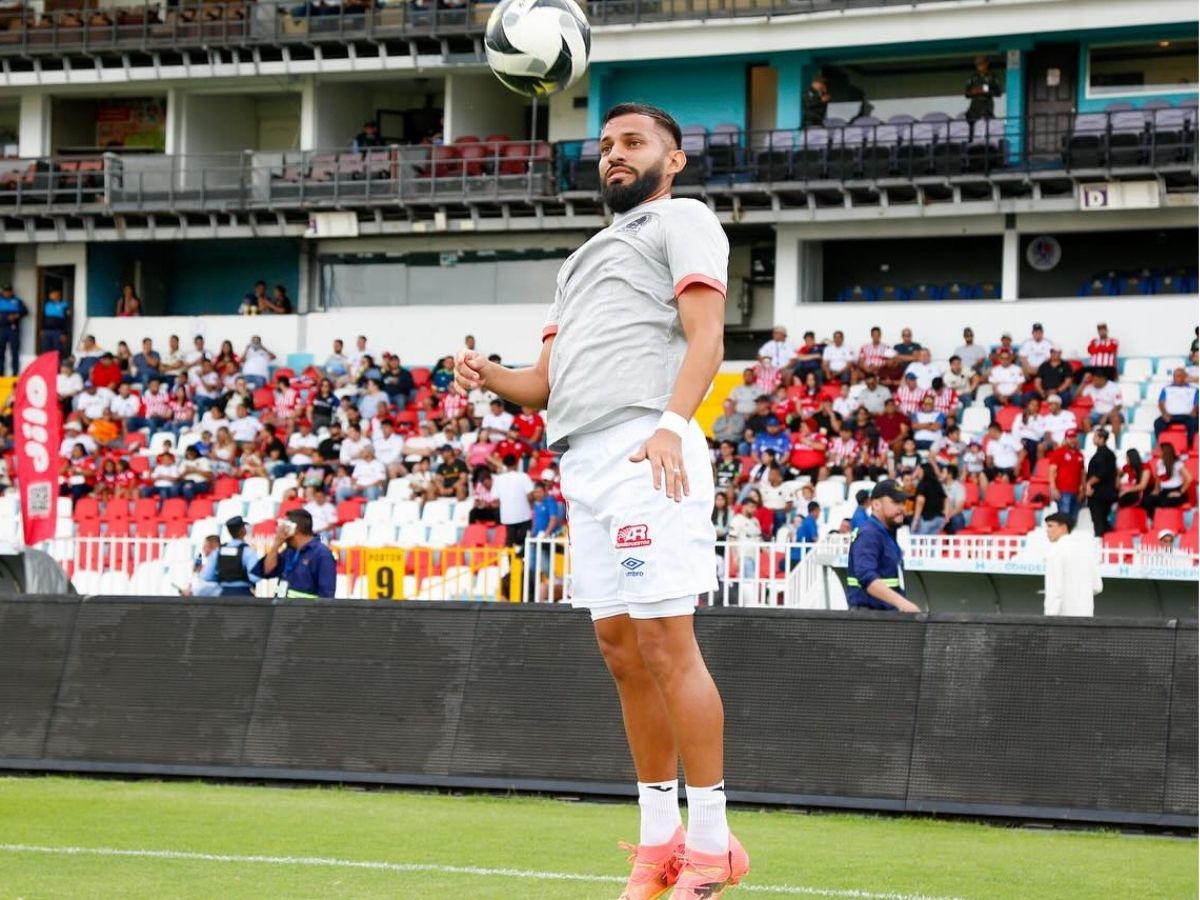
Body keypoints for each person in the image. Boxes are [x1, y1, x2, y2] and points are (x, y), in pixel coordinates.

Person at [451, 102, 748, 896]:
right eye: (607, 145)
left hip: (649, 445)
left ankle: (713, 846)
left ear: (672, 160)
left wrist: (672, 427)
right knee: (621, 653)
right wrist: (489, 373)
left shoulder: (683, 219)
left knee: (666, 645)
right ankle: (659, 843)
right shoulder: (579, 260)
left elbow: (708, 334)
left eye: (634, 142)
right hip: (581, 460)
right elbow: (542, 386)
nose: (614, 154)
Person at [845, 480, 920, 612]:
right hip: (870, 618)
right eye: (896, 502)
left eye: (903, 502)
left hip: (880, 616)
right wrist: (903, 604)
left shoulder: (883, 532)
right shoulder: (870, 534)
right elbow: (866, 576)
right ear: (876, 504)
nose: (902, 508)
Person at [252, 509, 337, 599]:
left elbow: (327, 595)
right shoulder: (289, 551)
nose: (279, 530)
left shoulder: (322, 554)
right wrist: (276, 544)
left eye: (284, 526)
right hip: (282, 605)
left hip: (303, 607)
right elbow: (267, 570)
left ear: (294, 529)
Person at [1043, 512, 1101, 617]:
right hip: (1087, 616)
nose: (1047, 530)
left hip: (1062, 619)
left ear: (1063, 527)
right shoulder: (1087, 550)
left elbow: (1055, 590)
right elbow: (1097, 586)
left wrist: (1049, 619)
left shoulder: (1055, 551)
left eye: (1050, 526)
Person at [199, 517, 262, 597]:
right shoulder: (248, 552)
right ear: (243, 530)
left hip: (223, 595)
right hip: (243, 594)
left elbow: (206, 576)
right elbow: (255, 577)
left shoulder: (218, 552)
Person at [1046, 429, 1085, 523]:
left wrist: (1082, 489)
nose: (1072, 440)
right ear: (1065, 439)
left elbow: (1082, 473)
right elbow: (1051, 471)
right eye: (1070, 438)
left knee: (1073, 519)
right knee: (1064, 519)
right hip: (1063, 491)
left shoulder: (1080, 455)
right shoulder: (1059, 452)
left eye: (1074, 437)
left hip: (1076, 492)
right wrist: (1053, 488)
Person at [1084, 429, 1118, 537]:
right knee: (1102, 520)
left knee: (1098, 520)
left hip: (1099, 493)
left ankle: (1101, 540)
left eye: (1095, 436)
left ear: (1101, 438)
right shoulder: (1108, 454)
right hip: (1106, 492)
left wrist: (1089, 484)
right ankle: (1108, 538)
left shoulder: (1103, 454)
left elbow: (1100, 473)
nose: (1093, 439)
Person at [1155, 368, 1198, 445]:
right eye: (1175, 376)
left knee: (1194, 423)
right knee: (1158, 423)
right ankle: (1162, 445)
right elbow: (1161, 402)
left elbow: (1197, 403)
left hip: (1187, 415)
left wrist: (1195, 410)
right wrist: (1164, 413)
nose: (1176, 378)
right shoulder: (1166, 389)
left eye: (1179, 376)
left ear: (1184, 377)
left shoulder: (1194, 389)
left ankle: (1189, 444)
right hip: (1170, 415)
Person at [964, 55, 1002, 124]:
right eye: (977, 64)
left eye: (981, 63)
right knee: (971, 122)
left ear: (987, 64)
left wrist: (985, 90)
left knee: (986, 124)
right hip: (975, 106)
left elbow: (998, 92)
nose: (979, 66)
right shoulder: (973, 77)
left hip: (986, 104)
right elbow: (967, 93)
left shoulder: (992, 76)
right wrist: (973, 92)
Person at [0, 284, 26, 376]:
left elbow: (24, 311)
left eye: (8, 291)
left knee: (14, 351)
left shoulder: (17, 301)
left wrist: (16, 315)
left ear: (11, 292)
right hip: (1, 329)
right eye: (5, 291)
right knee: (0, 352)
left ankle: (15, 373)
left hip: (13, 329)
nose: (6, 293)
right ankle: (1, 374)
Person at [41, 289, 71, 354]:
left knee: (57, 351)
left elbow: (67, 320)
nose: (51, 295)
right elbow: (43, 318)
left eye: (53, 293)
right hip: (47, 331)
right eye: (50, 294)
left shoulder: (64, 305)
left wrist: (64, 333)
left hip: (58, 332)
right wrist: (42, 329)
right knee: (45, 350)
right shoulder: (47, 305)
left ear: (58, 294)